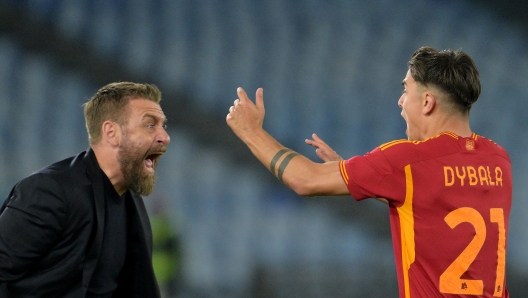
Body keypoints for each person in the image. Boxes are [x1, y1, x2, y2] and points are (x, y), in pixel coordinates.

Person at [226, 46, 511, 297]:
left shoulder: (408, 161)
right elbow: (432, 201)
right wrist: (363, 176)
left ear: (427, 102)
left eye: (405, 90)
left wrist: (251, 132)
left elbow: (305, 180)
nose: (400, 101)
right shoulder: (499, 161)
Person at [0, 82, 170, 297]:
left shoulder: (131, 201)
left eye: (163, 126)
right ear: (112, 133)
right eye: (149, 125)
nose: (164, 136)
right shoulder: (50, 192)